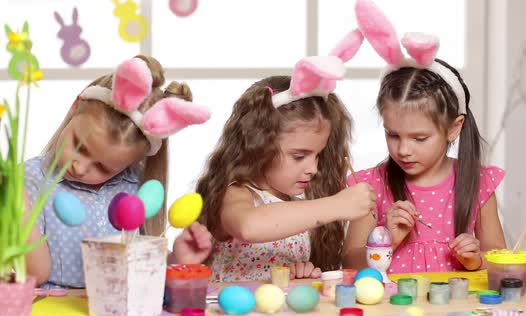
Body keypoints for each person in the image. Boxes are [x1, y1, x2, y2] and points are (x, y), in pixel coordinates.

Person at [342, 0, 506, 273]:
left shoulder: (478, 183)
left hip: (455, 312)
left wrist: (476, 260)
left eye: (419, 138)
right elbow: (348, 263)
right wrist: (385, 241)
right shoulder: (370, 186)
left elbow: (501, 264)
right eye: (392, 134)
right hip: (389, 312)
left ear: (454, 127)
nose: (404, 149)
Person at [195, 41, 377, 282]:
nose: (313, 169)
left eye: (318, 155)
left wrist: (301, 276)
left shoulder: (297, 201)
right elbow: (248, 226)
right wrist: (337, 206)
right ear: (259, 146)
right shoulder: (237, 193)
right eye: (299, 156)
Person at [24, 55, 213, 288]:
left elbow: (141, 270)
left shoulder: (135, 187)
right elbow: (34, 274)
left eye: (103, 167)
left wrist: (177, 260)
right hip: (55, 314)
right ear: (75, 107)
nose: (79, 167)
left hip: (119, 313)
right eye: (79, 146)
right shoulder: (31, 180)